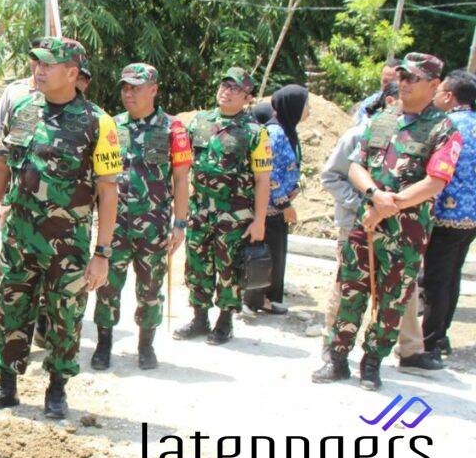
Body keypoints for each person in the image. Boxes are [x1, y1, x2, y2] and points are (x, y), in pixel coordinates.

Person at [0, 37, 122, 419]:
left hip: (67, 245)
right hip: (20, 237)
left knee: (65, 316)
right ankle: (6, 384)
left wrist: (101, 254)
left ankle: (57, 389)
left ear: (72, 73)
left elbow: (107, 191)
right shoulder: (22, 109)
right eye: (36, 63)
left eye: (48, 64)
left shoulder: (98, 122)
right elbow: (1, 168)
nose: (38, 69)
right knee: (10, 309)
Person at [314, 53, 461, 390]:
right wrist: (373, 195)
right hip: (366, 221)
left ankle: (372, 363)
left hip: (405, 231)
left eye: (413, 79)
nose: (404, 84)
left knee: (392, 299)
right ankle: (337, 359)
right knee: (350, 290)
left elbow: (435, 182)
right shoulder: (381, 119)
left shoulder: (443, 130)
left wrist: (388, 204)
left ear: (434, 85)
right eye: (402, 78)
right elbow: (355, 165)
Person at [92, 63, 191, 370]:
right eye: (125, 87)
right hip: (115, 225)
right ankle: (104, 343)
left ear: (154, 90)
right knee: (107, 285)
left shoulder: (173, 129)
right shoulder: (110, 126)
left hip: (154, 227)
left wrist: (180, 223)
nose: (129, 93)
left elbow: (181, 179)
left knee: (150, 288)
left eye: (135, 87)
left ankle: (145, 345)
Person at [174, 67, 272, 345]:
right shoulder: (199, 122)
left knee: (230, 269)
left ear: (247, 97)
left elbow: (263, 180)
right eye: (224, 85)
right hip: (200, 210)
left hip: (235, 215)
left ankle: (225, 321)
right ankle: (199, 318)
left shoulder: (255, 132)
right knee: (196, 265)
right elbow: (181, 165)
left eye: (235, 89)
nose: (226, 92)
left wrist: (260, 220)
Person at [423, 69, 476, 357]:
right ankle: (441, 335)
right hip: (471, 218)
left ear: (449, 96)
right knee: (452, 276)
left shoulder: (446, 126)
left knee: (435, 280)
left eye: (439, 90)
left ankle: (429, 341)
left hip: (446, 215)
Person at [245, 84, 309, 315]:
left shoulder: (287, 131)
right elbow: (268, 174)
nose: (308, 110)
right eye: (305, 105)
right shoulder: (274, 133)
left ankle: (264, 298)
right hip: (271, 208)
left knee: (274, 253)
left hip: (278, 207)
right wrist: (284, 204)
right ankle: (256, 299)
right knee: (265, 255)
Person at [353, 59, 401, 126]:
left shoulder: (410, 107)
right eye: (385, 81)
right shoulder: (367, 105)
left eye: (393, 82)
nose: (389, 86)